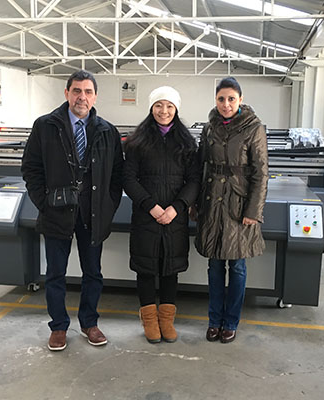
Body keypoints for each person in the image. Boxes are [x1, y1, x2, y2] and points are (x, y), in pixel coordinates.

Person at [21, 70, 124, 351]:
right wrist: (44, 202)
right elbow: (31, 168)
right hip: (56, 211)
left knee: (93, 272)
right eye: (76, 90)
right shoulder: (45, 126)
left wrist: (108, 206)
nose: (82, 97)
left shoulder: (107, 131)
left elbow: (117, 175)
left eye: (88, 92)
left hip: (93, 213)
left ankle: (89, 323)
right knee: (56, 273)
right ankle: (58, 326)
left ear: (95, 97)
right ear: (66, 93)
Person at [194, 77, 269, 344]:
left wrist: (253, 210)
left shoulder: (253, 128)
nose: (226, 104)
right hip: (212, 203)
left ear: (240, 99)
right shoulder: (209, 127)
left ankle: (231, 322)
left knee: (237, 266)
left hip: (239, 206)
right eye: (221, 99)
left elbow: (261, 172)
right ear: (215, 100)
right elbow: (200, 166)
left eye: (231, 99)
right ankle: (214, 320)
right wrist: (195, 202)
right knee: (214, 265)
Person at [123, 86, 200, 343]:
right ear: (151, 108)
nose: (163, 111)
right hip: (146, 216)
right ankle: (149, 321)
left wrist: (177, 207)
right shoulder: (137, 142)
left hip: (174, 218)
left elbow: (194, 180)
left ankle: (166, 321)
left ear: (176, 109)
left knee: (170, 269)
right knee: (145, 269)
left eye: (169, 106)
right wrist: (151, 206)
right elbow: (129, 178)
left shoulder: (187, 144)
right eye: (158, 105)